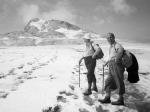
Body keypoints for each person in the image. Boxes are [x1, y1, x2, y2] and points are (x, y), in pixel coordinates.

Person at [99, 33, 125, 105]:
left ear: (113, 37)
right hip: (111, 65)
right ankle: (107, 98)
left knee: (119, 81)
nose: (109, 39)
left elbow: (120, 50)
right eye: (107, 38)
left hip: (117, 66)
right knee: (108, 81)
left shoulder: (117, 45)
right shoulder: (111, 46)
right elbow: (111, 56)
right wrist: (107, 62)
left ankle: (121, 100)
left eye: (110, 37)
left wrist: (117, 58)